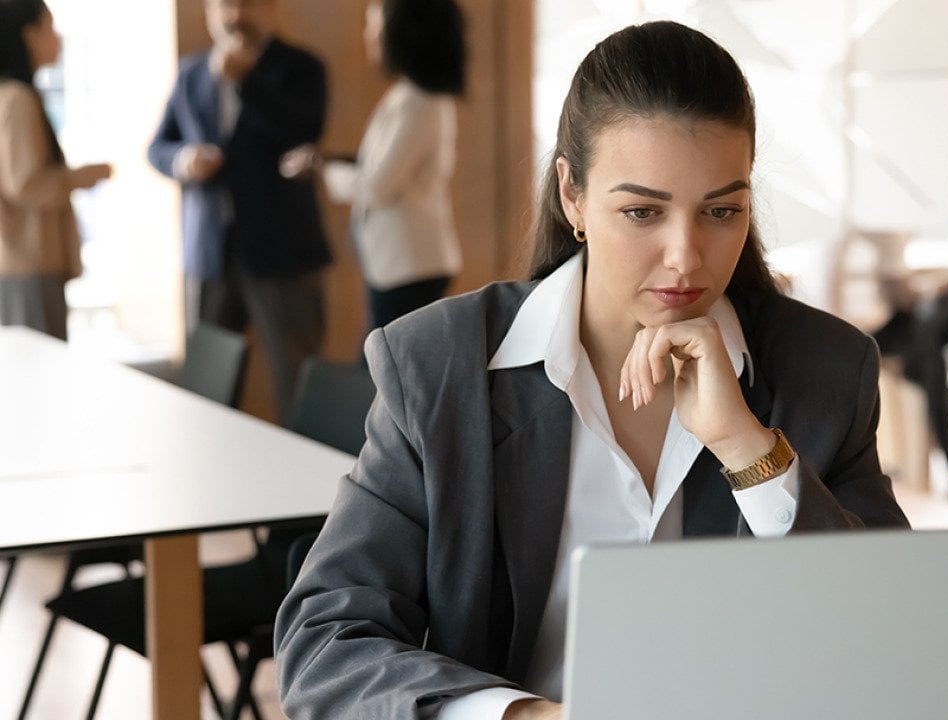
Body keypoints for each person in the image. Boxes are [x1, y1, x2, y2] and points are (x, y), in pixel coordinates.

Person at [275, 21, 909, 720]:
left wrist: (748, 449)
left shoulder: (827, 372)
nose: (685, 257)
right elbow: (326, 644)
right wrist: (525, 716)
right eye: (642, 211)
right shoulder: (438, 366)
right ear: (571, 195)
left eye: (721, 210)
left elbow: (895, 636)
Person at [148, 0, 330, 417]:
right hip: (210, 252)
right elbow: (158, 147)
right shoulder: (191, 71)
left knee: (298, 384)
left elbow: (305, 130)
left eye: (248, 3)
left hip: (283, 251)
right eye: (225, 4)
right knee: (205, 388)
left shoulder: (301, 67)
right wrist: (183, 160)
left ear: (271, 8)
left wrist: (247, 81)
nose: (236, 15)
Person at [282, 0, 465, 331]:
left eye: (375, 27)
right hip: (396, 263)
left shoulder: (420, 103)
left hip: (410, 266)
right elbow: (379, 164)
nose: (368, 36)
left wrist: (320, 170)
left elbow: (377, 185)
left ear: (403, 34)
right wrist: (329, 159)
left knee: (381, 358)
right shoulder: (408, 96)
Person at [0, 0, 111, 339]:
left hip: (22, 262)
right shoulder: (17, 98)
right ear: (29, 35)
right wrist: (83, 177)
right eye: (50, 27)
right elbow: (24, 184)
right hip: (29, 259)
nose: (58, 37)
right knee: (38, 361)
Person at [865, 231, 948, 502]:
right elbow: (904, 297)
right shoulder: (884, 234)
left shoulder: (887, 237)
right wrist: (947, 282)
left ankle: (921, 364)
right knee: (933, 361)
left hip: (900, 327)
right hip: (879, 333)